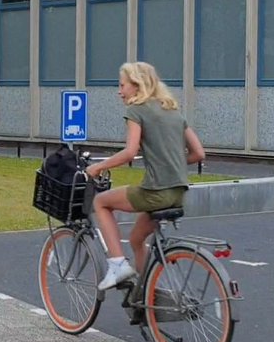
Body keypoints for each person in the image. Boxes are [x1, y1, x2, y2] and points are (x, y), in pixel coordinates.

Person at [86, 61, 206, 291]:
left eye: (122, 85)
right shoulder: (172, 110)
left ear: (137, 85)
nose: (119, 91)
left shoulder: (136, 111)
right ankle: (147, 294)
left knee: (101, 202)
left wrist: (98, 167)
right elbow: (199, 153)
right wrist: (171, 162)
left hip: (155, 192)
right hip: (178, 193)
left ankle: (118, 265)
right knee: (136, 239)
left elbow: (130, 152)